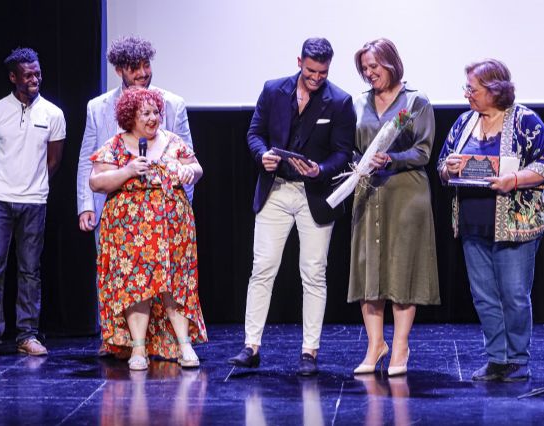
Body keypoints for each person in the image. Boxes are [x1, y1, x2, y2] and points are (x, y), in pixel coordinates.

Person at [228, 38, 356, 375]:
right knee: (263, 268)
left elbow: (344, 152)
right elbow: (254, 132)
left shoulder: (340, 101)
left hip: (314, 195)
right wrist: (262, 155)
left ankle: (309, 351)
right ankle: (251, 345)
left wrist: (321, 170)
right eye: (311, 71)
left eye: (323, 73)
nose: (316, 78)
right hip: (276, 190)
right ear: (300, 61)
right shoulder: (273, 90)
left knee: (313, 273)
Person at [438, 59, 544, 382]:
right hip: (472, 224)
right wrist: (448, 168)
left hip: (515, 225)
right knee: (484, 296)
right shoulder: (465, 123)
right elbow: (443, 166)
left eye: (472, 89)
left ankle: (518, 360)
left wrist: (514, 180)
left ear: (494, 91)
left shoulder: (525, 121)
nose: (467, 95)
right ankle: (497, 359)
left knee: (514, 294)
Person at [76, 35, 194, 353]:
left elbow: (188, 157)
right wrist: (86, 206)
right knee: (120, 275)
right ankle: (118, 341)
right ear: (119, 71)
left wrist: (182, 205)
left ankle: (162, 342)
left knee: (165, 278)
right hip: (118, 208)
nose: (142, 73)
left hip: (164, 207)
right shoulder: (98, 107)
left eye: (146, 65)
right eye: (134, 68)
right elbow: (89, 158)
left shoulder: (171, 103)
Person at [89, 87, 206, 371]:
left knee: (174, 283)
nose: (153, 118)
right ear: (130, 116)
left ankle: (183, 344)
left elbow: (197, 168)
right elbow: (96, 182)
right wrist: (128, 170)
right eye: (146, 113)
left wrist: (189, 171)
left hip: (171, 226)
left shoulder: (173, 141)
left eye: (156, 112)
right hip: (129, 229)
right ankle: (138, 348)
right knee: (136, 284)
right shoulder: (116, 145)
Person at [347, 38, 440, 376]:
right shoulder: (358, 103)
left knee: (402, 267)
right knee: (369, 267)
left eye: (375, 66)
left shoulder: (415, 102)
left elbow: (424, 151)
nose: (369, 73)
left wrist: (394, 158)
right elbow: (352, 147)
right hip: (369, 191)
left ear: (391, 62)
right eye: (364, 68)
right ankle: (375, 345)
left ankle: (400, 345)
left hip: (405, 192)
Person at [0, 47, 66, 358]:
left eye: (37, 73)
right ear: (13, 77)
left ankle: (27, 335)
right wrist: (2, 186)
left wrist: (32, 187)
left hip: (34, 201)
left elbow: (53, 161)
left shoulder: (53, 114)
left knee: (30, 270)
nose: (35, 79)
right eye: (28, 75)